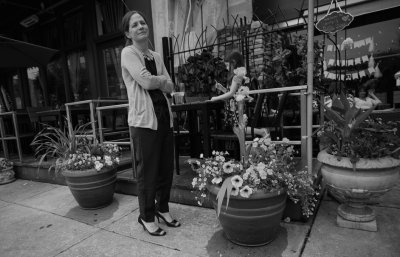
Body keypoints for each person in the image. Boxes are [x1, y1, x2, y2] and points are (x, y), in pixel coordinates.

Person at [120, 10, 180, 237]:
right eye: (135, 25)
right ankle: (146, 216)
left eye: (142, 22)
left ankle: (162, 208)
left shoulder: (155, 56)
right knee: (148, 172)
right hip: (143, 121)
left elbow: (171, 86)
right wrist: (161, 81)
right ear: (128, 32)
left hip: (164, 118)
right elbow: (145, 81)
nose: (140, 26)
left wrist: (163, 82)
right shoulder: (128, 52)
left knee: (165, 168)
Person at [209, 51, 268, 138]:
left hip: (237, 107)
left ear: (234, 63)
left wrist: (216, 98)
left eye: (228, 65)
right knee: (236, 128)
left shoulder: (237, 76)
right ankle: (260, 132)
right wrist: (222, 88)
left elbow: (231, 93)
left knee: (238, 128)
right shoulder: (237, 75)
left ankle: (262, 132)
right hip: (235, 105)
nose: (227, 68)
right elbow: (232, 93)